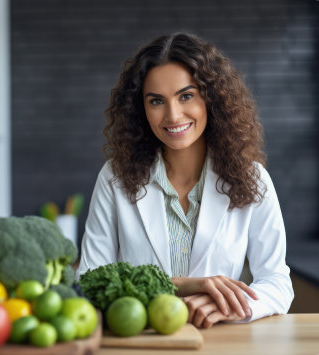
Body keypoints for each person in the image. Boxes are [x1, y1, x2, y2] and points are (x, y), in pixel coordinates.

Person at [75, 31, 294, 328]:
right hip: (143, 341)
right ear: (142, 108)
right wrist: (184, 284)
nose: (173, 115)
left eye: (186, 96)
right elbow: (88, 283)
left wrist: (233, 307)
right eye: (156, 101)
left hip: (219, 342)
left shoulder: (252, 178)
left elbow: (277, 282)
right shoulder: (115, 177)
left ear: (212, 98)